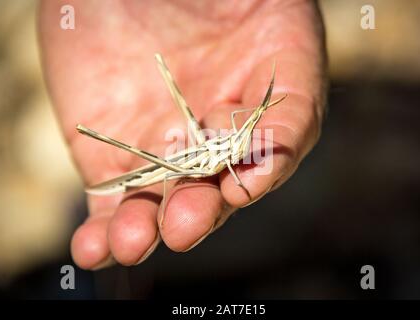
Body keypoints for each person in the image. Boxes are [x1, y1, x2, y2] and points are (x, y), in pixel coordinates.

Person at [39, 0, 327, 270]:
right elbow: (222, 166)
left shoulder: (238, 138)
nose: (245, 140)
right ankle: (98, 133)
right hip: (179, 165)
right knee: (164, 177)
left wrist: (254, 118)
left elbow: (243, 125)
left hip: (206, 151)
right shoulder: (223, 156)